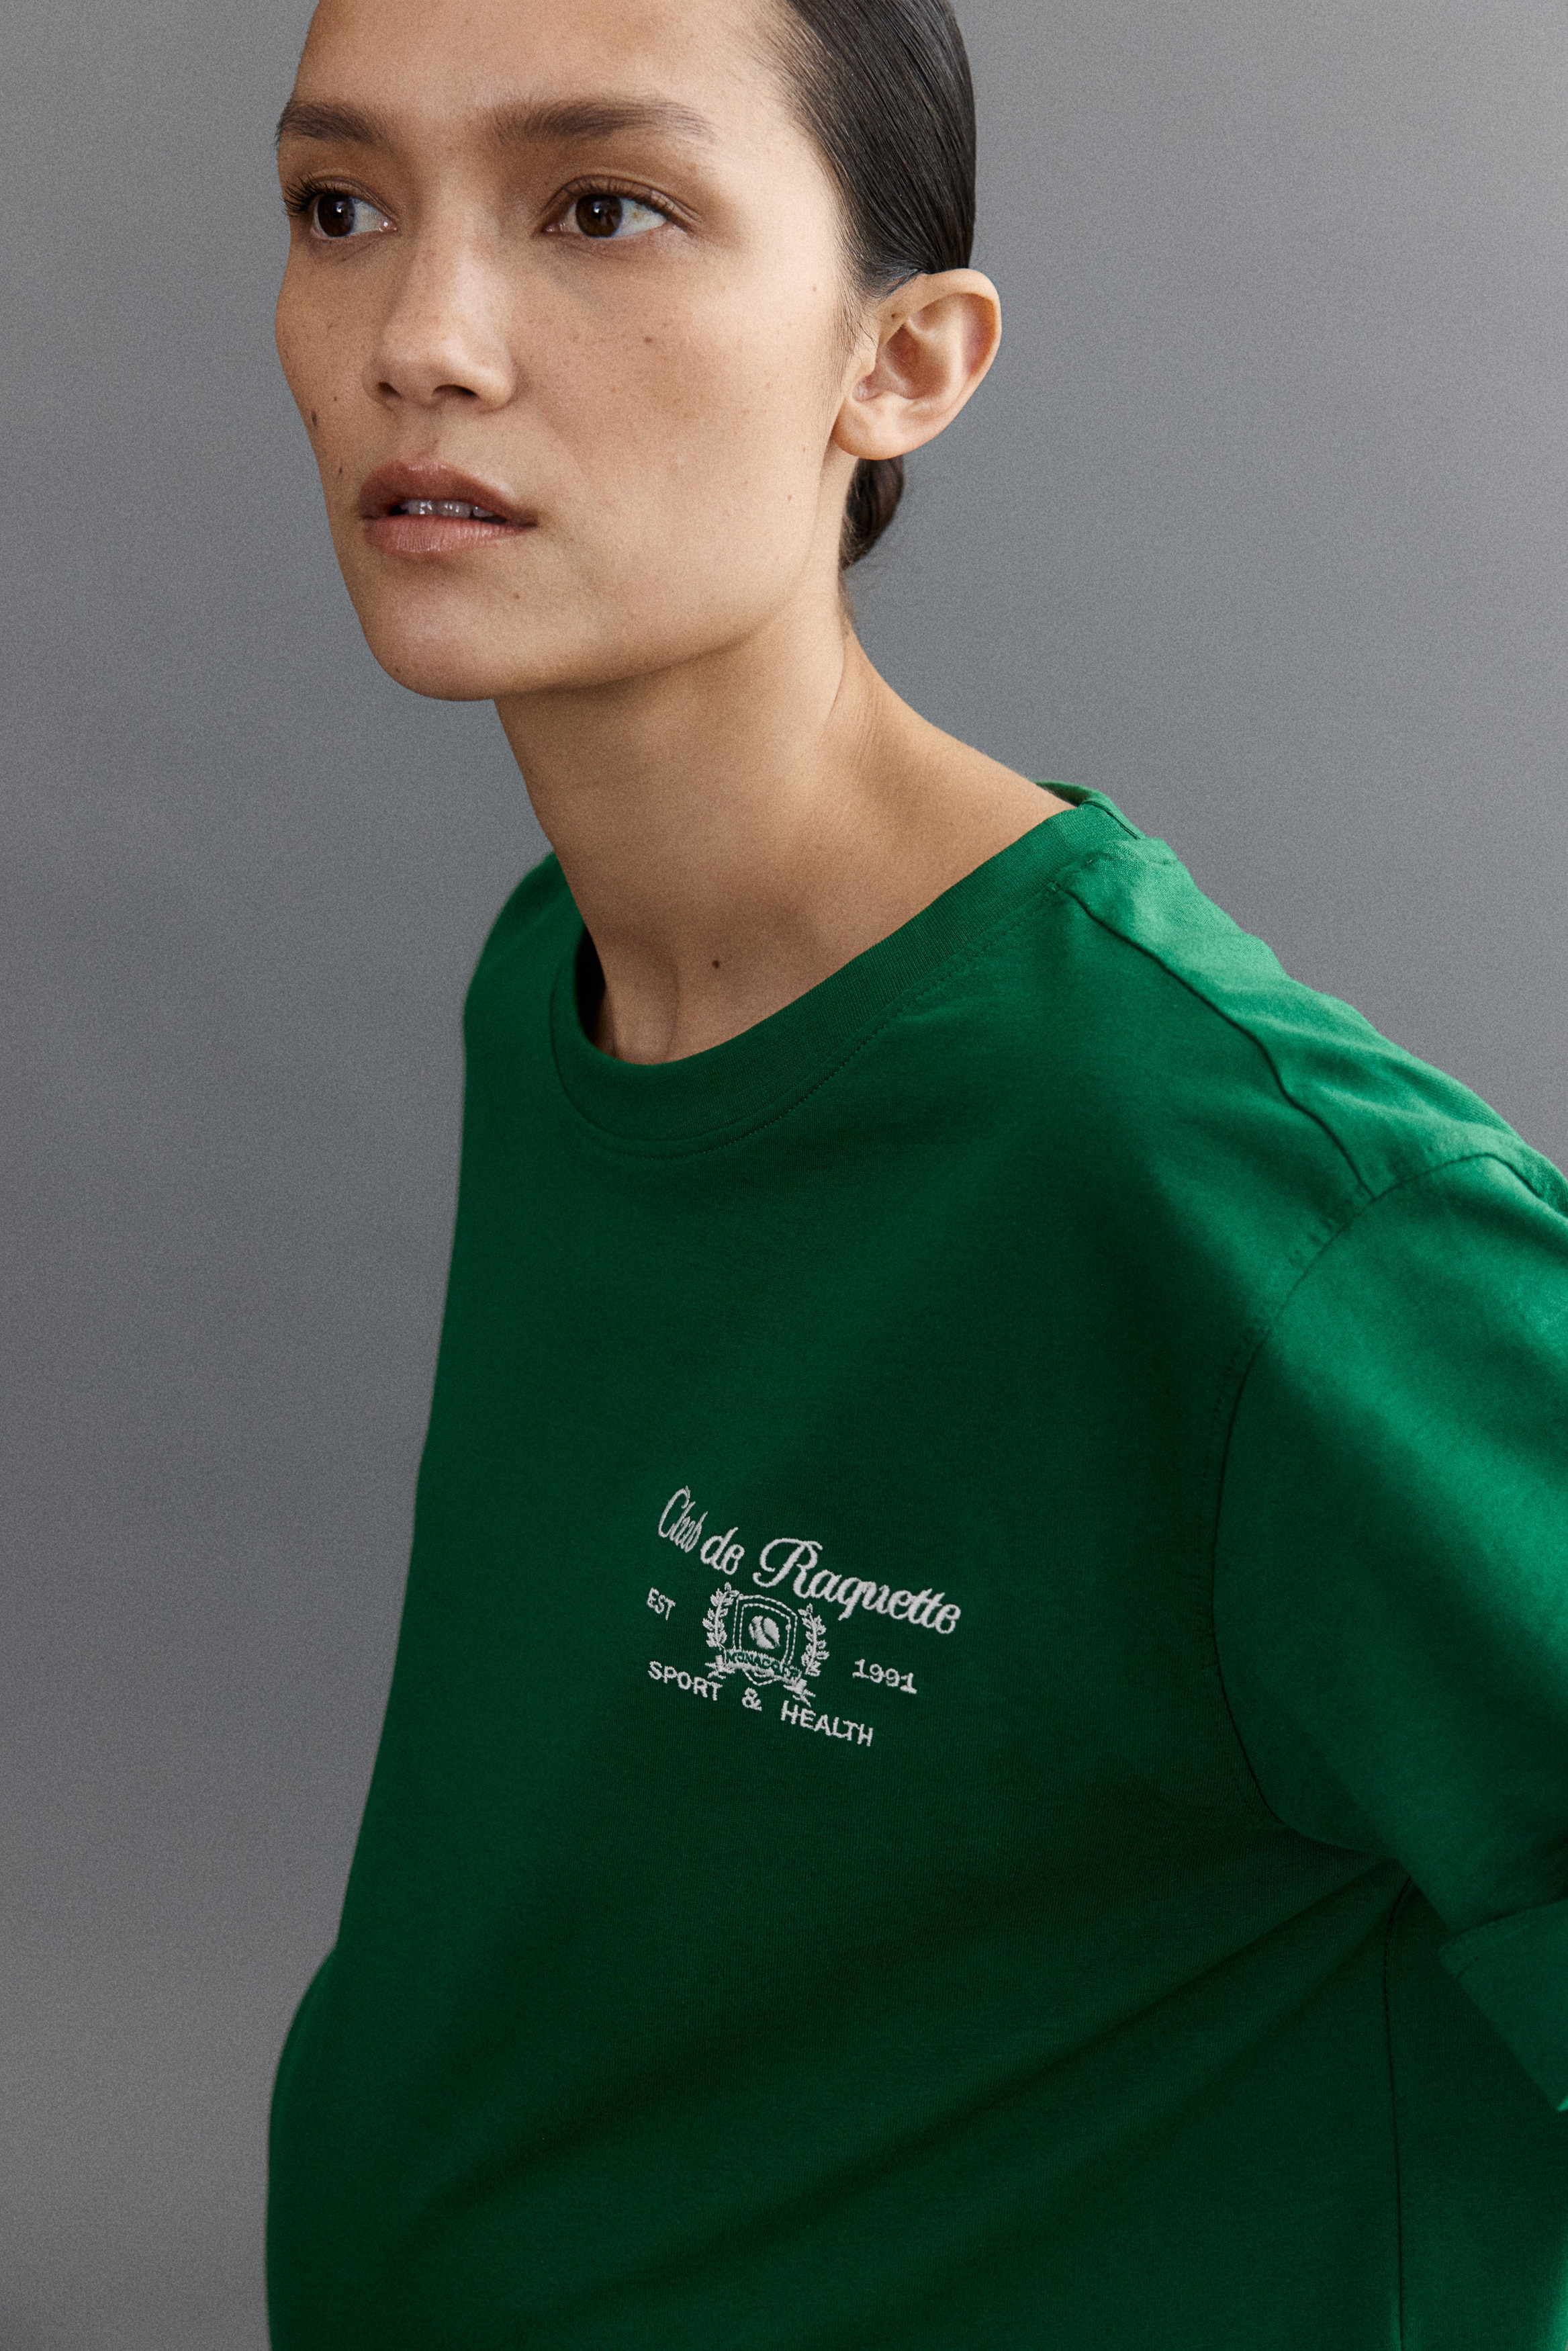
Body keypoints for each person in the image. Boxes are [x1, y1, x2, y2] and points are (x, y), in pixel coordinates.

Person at [262, 0, 1568, 2342]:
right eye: (341, 205)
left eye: (601, 209)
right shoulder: (561, 972)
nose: (419, 339)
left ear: (903, 362)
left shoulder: (1240, 1197)